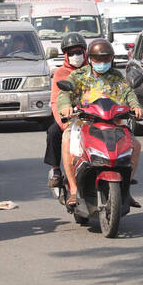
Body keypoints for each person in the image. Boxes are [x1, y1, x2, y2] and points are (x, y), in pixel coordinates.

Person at [57, 39, 143, 207]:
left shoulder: (117, 76)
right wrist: (66, 106)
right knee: (67, 142)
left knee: (136, 145)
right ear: (90, 59)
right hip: (84, 123)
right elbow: (64, 94)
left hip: (113, 123)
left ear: (111, 59)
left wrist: (136, 106)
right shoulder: (79, 75)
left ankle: (125, 190)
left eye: (105, 60)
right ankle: (74, 190)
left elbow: (128, 92)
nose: (101, 63)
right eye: (97, 60)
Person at [45, 33, 88, 188]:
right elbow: (56, 101)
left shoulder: (92, 71)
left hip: (93, 116)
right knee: (53, 132)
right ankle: (56, 169)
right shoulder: (60, 73)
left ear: (85, 52)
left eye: (79, 52)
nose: (76, 56)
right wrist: (65, 123)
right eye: (71, 53)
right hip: (69, 118)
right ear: (65, 55)